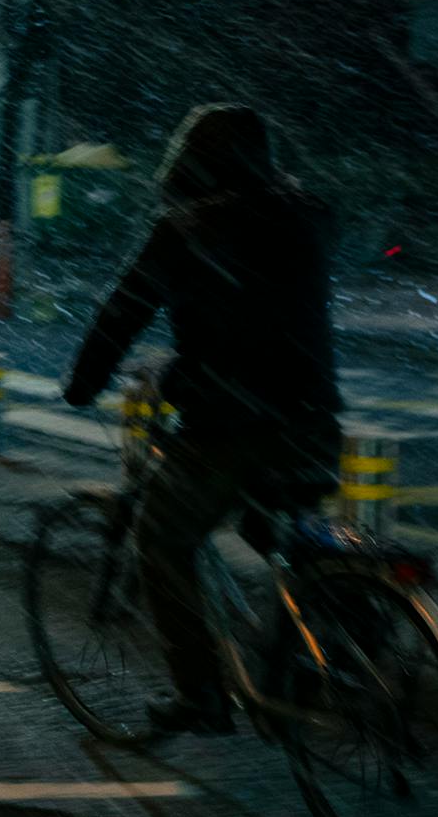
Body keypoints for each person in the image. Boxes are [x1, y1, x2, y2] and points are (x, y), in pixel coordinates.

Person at [61, 104, 342, 734]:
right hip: (314, 419)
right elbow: (270, 317)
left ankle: (201, 695)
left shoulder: (187, 229)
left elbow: (121, 313)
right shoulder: (310, 217)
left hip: (229, 425)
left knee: (162, 540)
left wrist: (84, 384)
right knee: (278, 536)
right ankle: (311, 664)